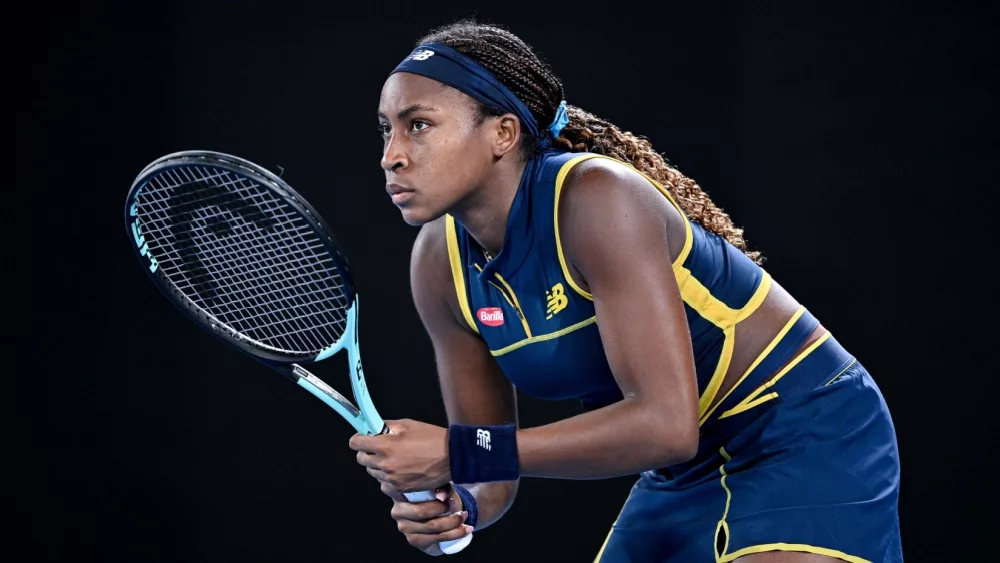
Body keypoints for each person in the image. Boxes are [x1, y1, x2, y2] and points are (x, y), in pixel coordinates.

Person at [348, 19, 902, 562]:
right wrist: (460, 502)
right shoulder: (438, 263)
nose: (391, 154)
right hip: (680, 473)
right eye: (385, 129)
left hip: (803, 431)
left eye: (418, 125)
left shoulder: (596, 198)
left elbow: (665, 425)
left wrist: (456, 452)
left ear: (502, 133)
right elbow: (492, 467)